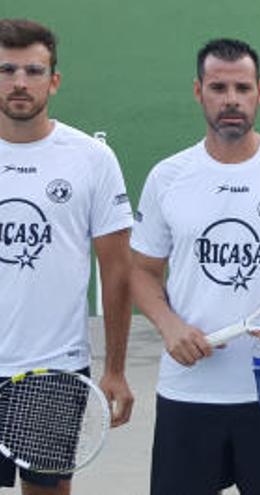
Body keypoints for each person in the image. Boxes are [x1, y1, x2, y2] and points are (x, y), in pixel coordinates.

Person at [130, 38, 260, 494]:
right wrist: (169, 326)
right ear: (198, 92)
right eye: (218, 87)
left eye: (242, 88)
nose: (231, 100)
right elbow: (142, 272)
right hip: (189, 391)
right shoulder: (168, 176)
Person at [0, 18, 134, 495]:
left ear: (53, 81)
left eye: (33, 71)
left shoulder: (91, 159)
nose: (19, 82)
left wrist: (115, 367)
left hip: (54, 368)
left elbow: (117, 269)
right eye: (7, 69)